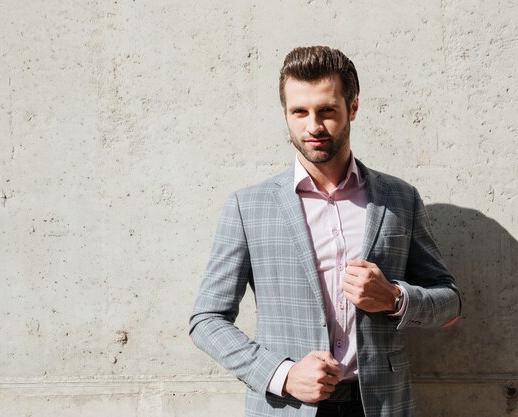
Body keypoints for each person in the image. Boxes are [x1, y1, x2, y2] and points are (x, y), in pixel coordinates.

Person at [189, 46, 461, 417]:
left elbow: (450, 304)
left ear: (353, 108)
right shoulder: (248, 207)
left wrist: (394, 298)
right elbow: (207, 320)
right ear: (285, 113)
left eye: (327, 111)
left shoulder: (400, 199)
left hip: (380, 405)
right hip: (289, 406)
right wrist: (282, 375)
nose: (313, 126)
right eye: (299, 112)